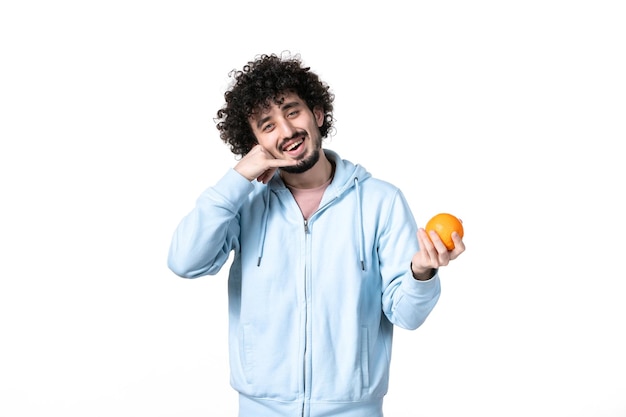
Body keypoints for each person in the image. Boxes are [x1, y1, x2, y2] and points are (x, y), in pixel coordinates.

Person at [167, 52, 465, 417]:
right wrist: (237, 179)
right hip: (262, 408)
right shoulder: (243, 202)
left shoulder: (380, 201)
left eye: (292, 112)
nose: (287, 131)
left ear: (318, 114)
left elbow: (407, 315)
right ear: (256, 142)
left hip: (353, 409)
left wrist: (421, 274)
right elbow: (185, 262)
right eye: (268, 124)